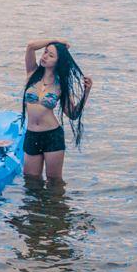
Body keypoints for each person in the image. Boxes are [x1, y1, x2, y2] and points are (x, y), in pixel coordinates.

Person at [21, 39, 94, 180]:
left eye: (51, 55)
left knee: (54, 183)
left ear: (58, 62)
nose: (45, 56)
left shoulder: (61, 85)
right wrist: (56, 41)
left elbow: (72, 114)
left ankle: (56, 203)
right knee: (30, 182)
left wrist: (87, 92)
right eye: (45, 52)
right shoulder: (32, 72)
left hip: (52, 136)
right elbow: (30, 46)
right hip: (31, 135)